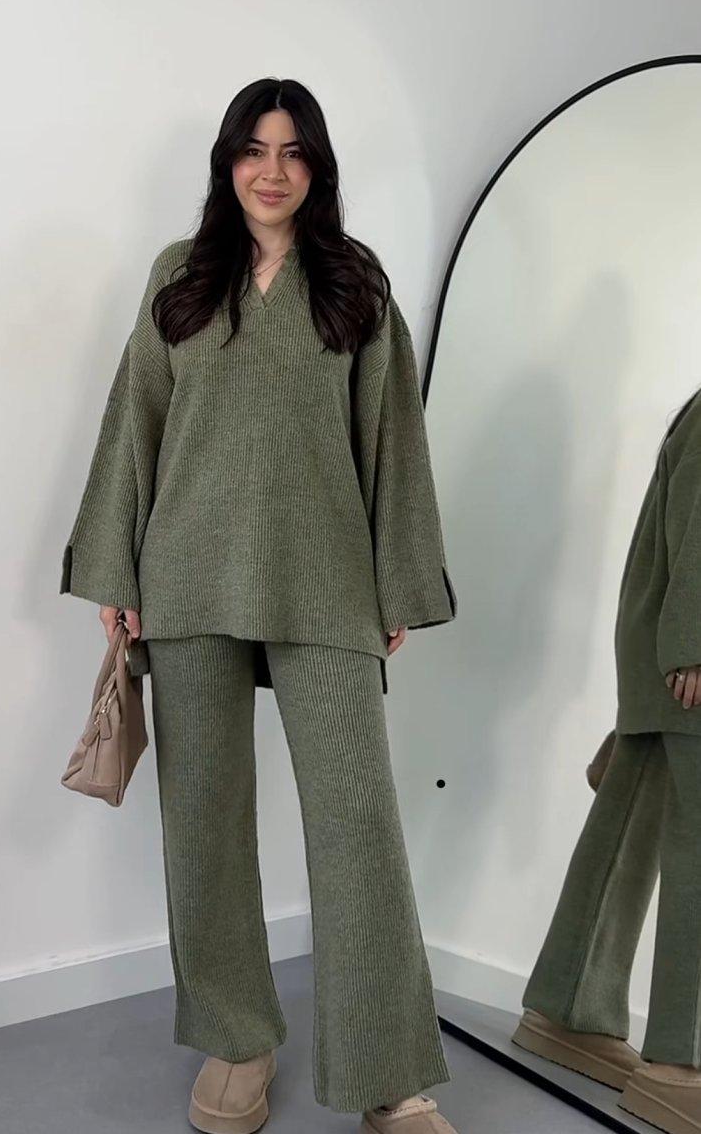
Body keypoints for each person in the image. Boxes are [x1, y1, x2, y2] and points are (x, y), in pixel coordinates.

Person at [60, 77, 459, 1132]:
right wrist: (119, 574)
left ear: (316, 166)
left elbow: (394, 441)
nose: (271, 171)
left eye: (292, 151)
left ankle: (386, 1071)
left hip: (324, 579)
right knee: (203, 823)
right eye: (252, 148)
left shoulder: (355, 282)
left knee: (358, 824)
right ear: (227, 162)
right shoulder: (180, 276)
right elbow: (135, 420)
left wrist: (398, 582)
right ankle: (238, 1037)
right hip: (188, 577)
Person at [513, 388, 701, 1134]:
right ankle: (679, 1066)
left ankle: (569, 1010)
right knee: (691, 858)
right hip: (686, 665)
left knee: (628, 829)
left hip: (668, 657)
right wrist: (691, 646)